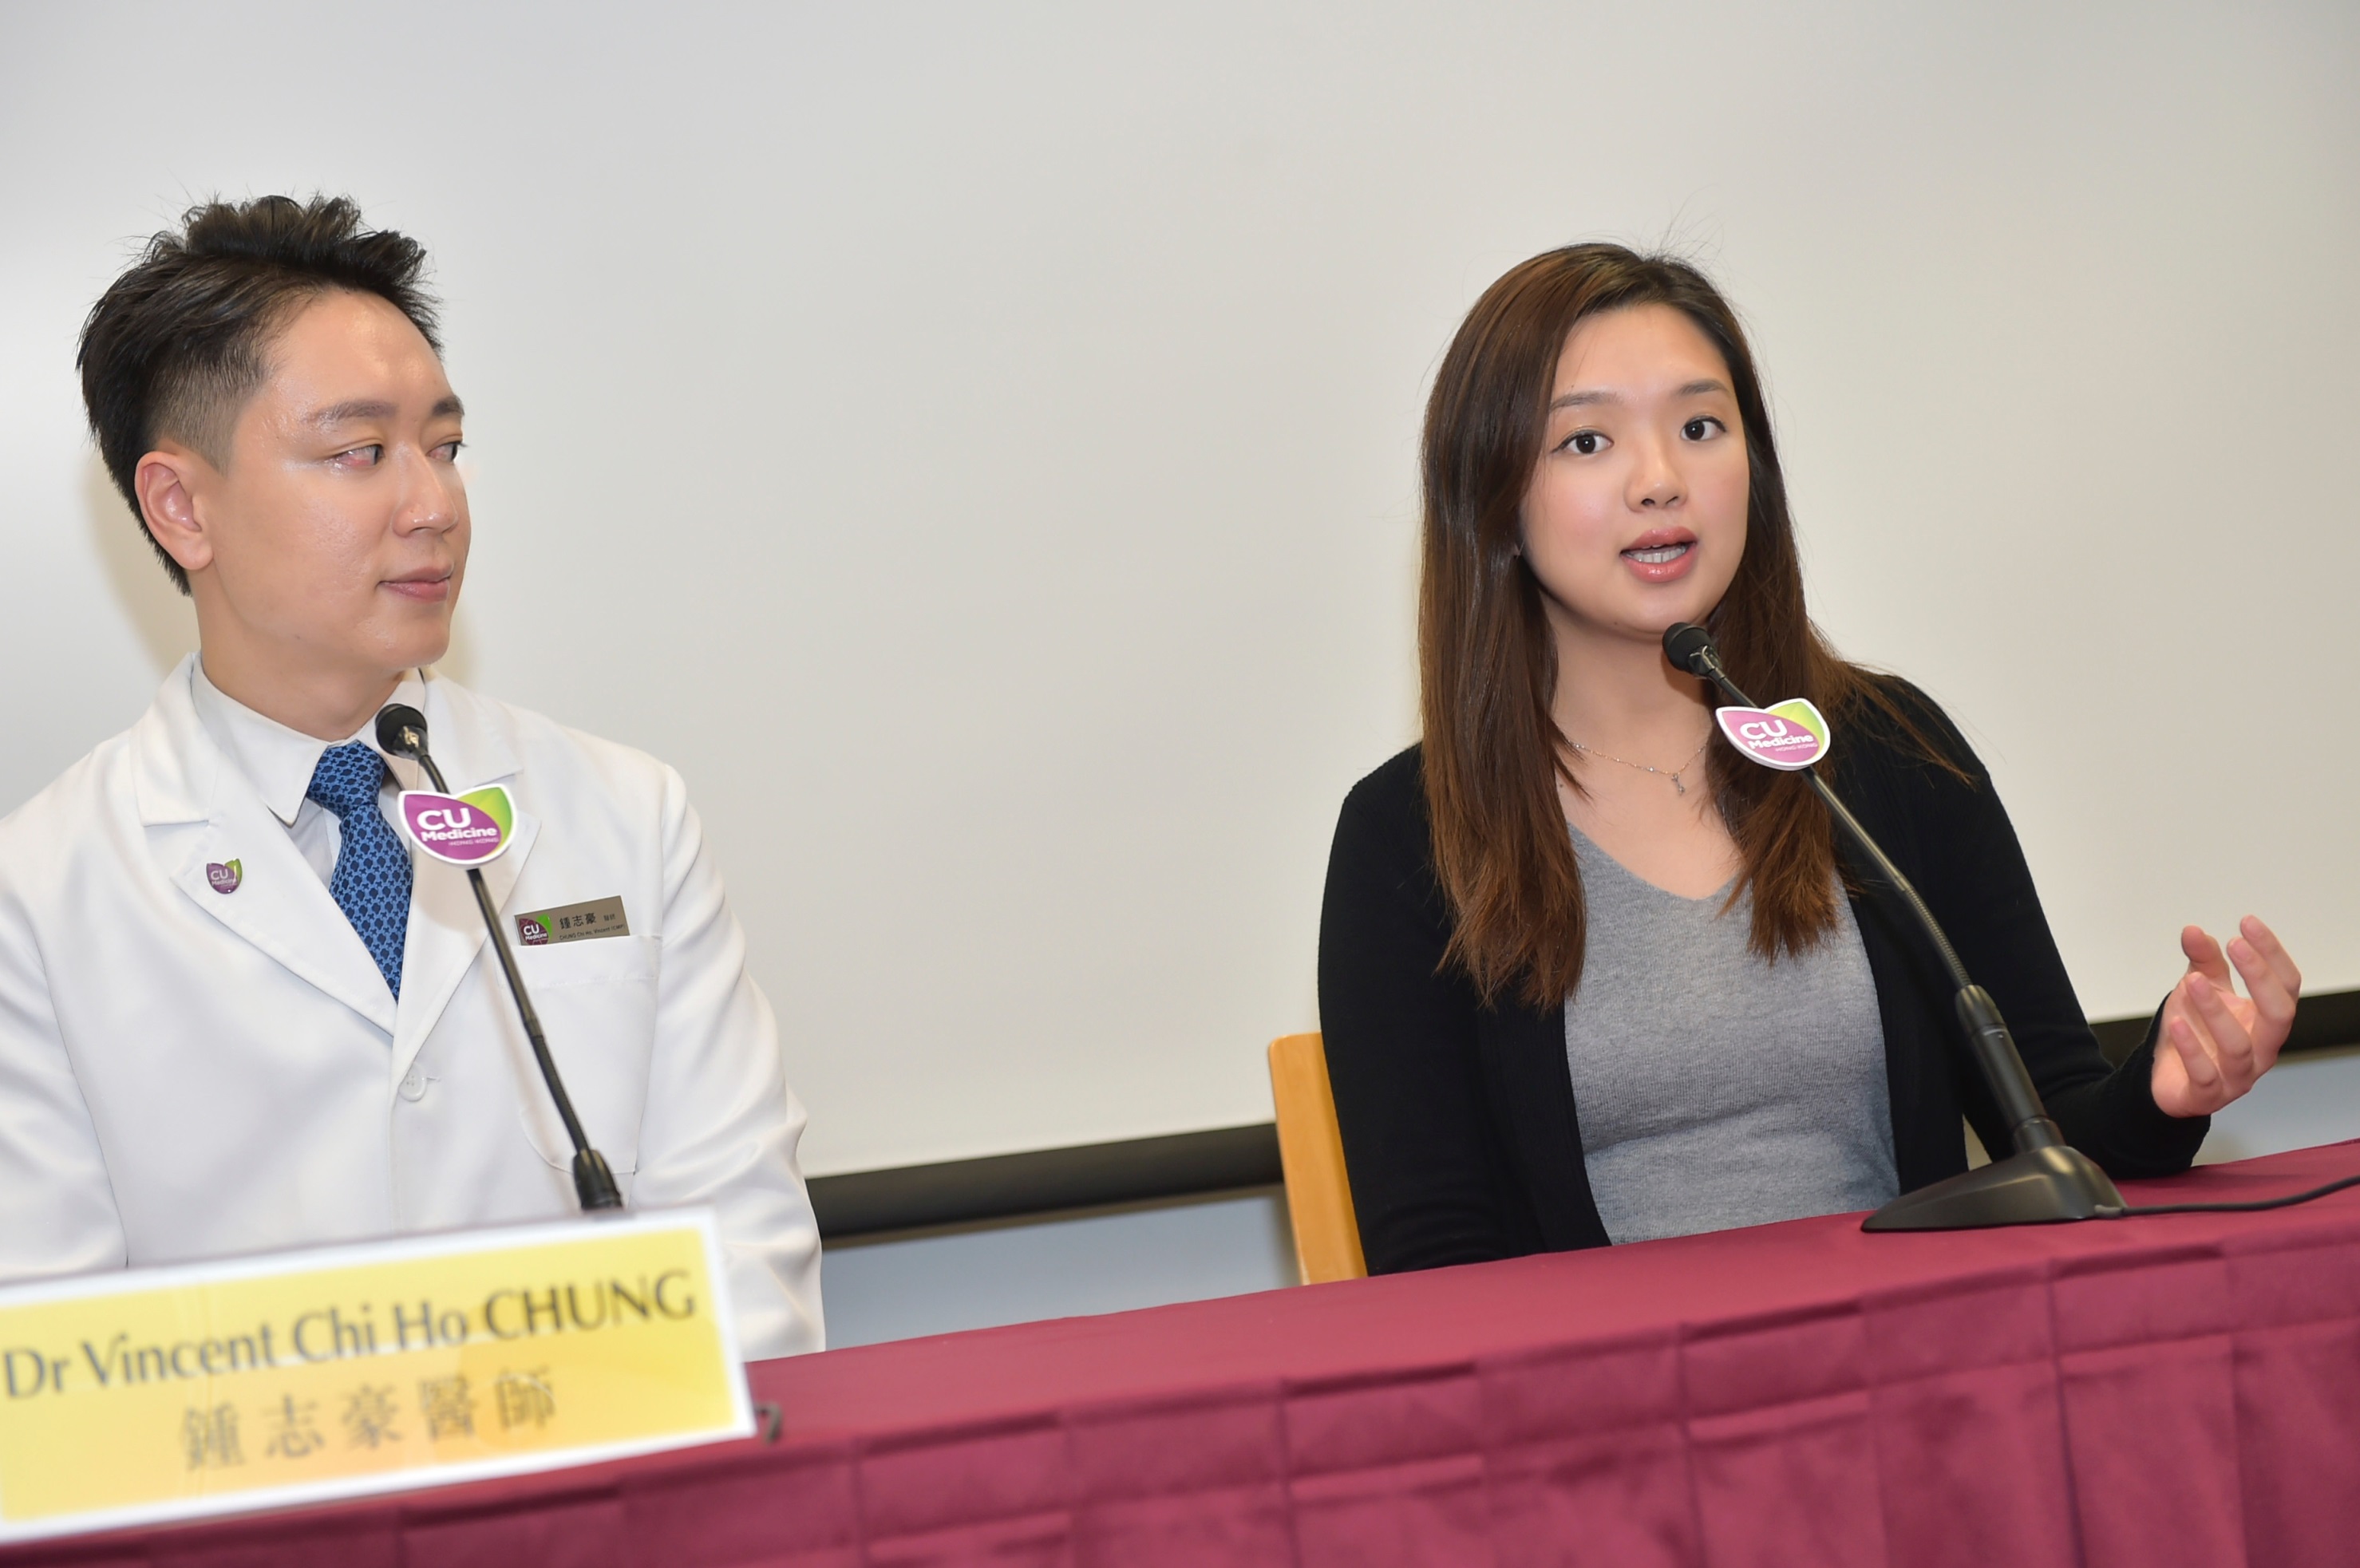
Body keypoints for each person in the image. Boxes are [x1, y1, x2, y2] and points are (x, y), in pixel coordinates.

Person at [1318, 243, 2301, 1273]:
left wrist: (2166, 1088)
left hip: (1910, 1375)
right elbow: (1434, 1271)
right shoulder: (1410, 835)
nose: (1661, 481)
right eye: (1589, 441)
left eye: (1701, 427)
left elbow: (2053, 1130)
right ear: (1493, 495)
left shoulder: (1884, 755)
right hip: (1607, 1415)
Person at [0, 196, 823, 1357]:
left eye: (443, 446)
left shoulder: (627, 815)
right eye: (358, 453)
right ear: (182, 507)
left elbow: (744, 1257)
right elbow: (43, 1358)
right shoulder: (38, 895)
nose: (434, 506)